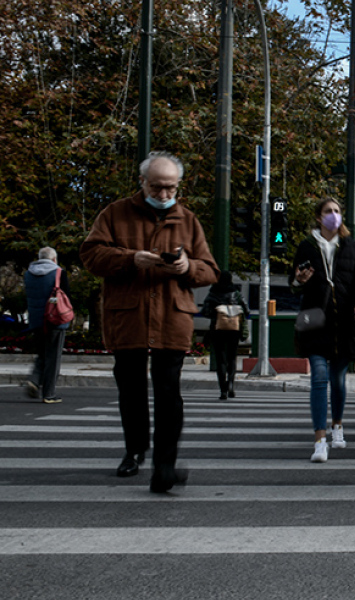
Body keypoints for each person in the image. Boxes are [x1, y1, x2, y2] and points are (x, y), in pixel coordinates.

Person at [80, 151, 219, 493]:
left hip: (172, 317)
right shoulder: (114, 214)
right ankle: (135, 449)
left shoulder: (188, 220)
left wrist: (188, 269)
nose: (163, 195)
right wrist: (131, 259)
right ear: (142, 182)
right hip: (129, 317)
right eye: (156, 187)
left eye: (170, 188)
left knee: (169, 393)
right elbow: (90, 255)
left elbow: (211, 270)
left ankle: (164, 466)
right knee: (131, 391)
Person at [290, 198, 355, 463]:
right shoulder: (306, 246)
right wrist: (298, 280)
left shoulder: (352, 246)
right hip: (315, 321)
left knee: (338, 380)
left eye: (337, 211)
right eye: (328, 211)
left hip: (344, 323)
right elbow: (294, 282)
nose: (334, 215)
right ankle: (319, 440)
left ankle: (337, 425)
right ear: (318, 217)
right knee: (319, 378)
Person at [23, 247, 71, 404]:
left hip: (36, 319)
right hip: (55, 319)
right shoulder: (59, 273)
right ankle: (49, 393)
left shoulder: (28, 274)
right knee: (53, 357)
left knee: (42, 353)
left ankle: (35, 380)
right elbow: (67, 296)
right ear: (54, 259)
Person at [200, 271, 249, 400]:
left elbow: (205, 312)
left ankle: (223, 390)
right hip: (234, 329)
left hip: (217, 330)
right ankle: (231, 384)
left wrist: (217, 313)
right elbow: (246, 310)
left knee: (220, 359)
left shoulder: (213, 292)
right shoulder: (236, 293)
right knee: (232, 358)